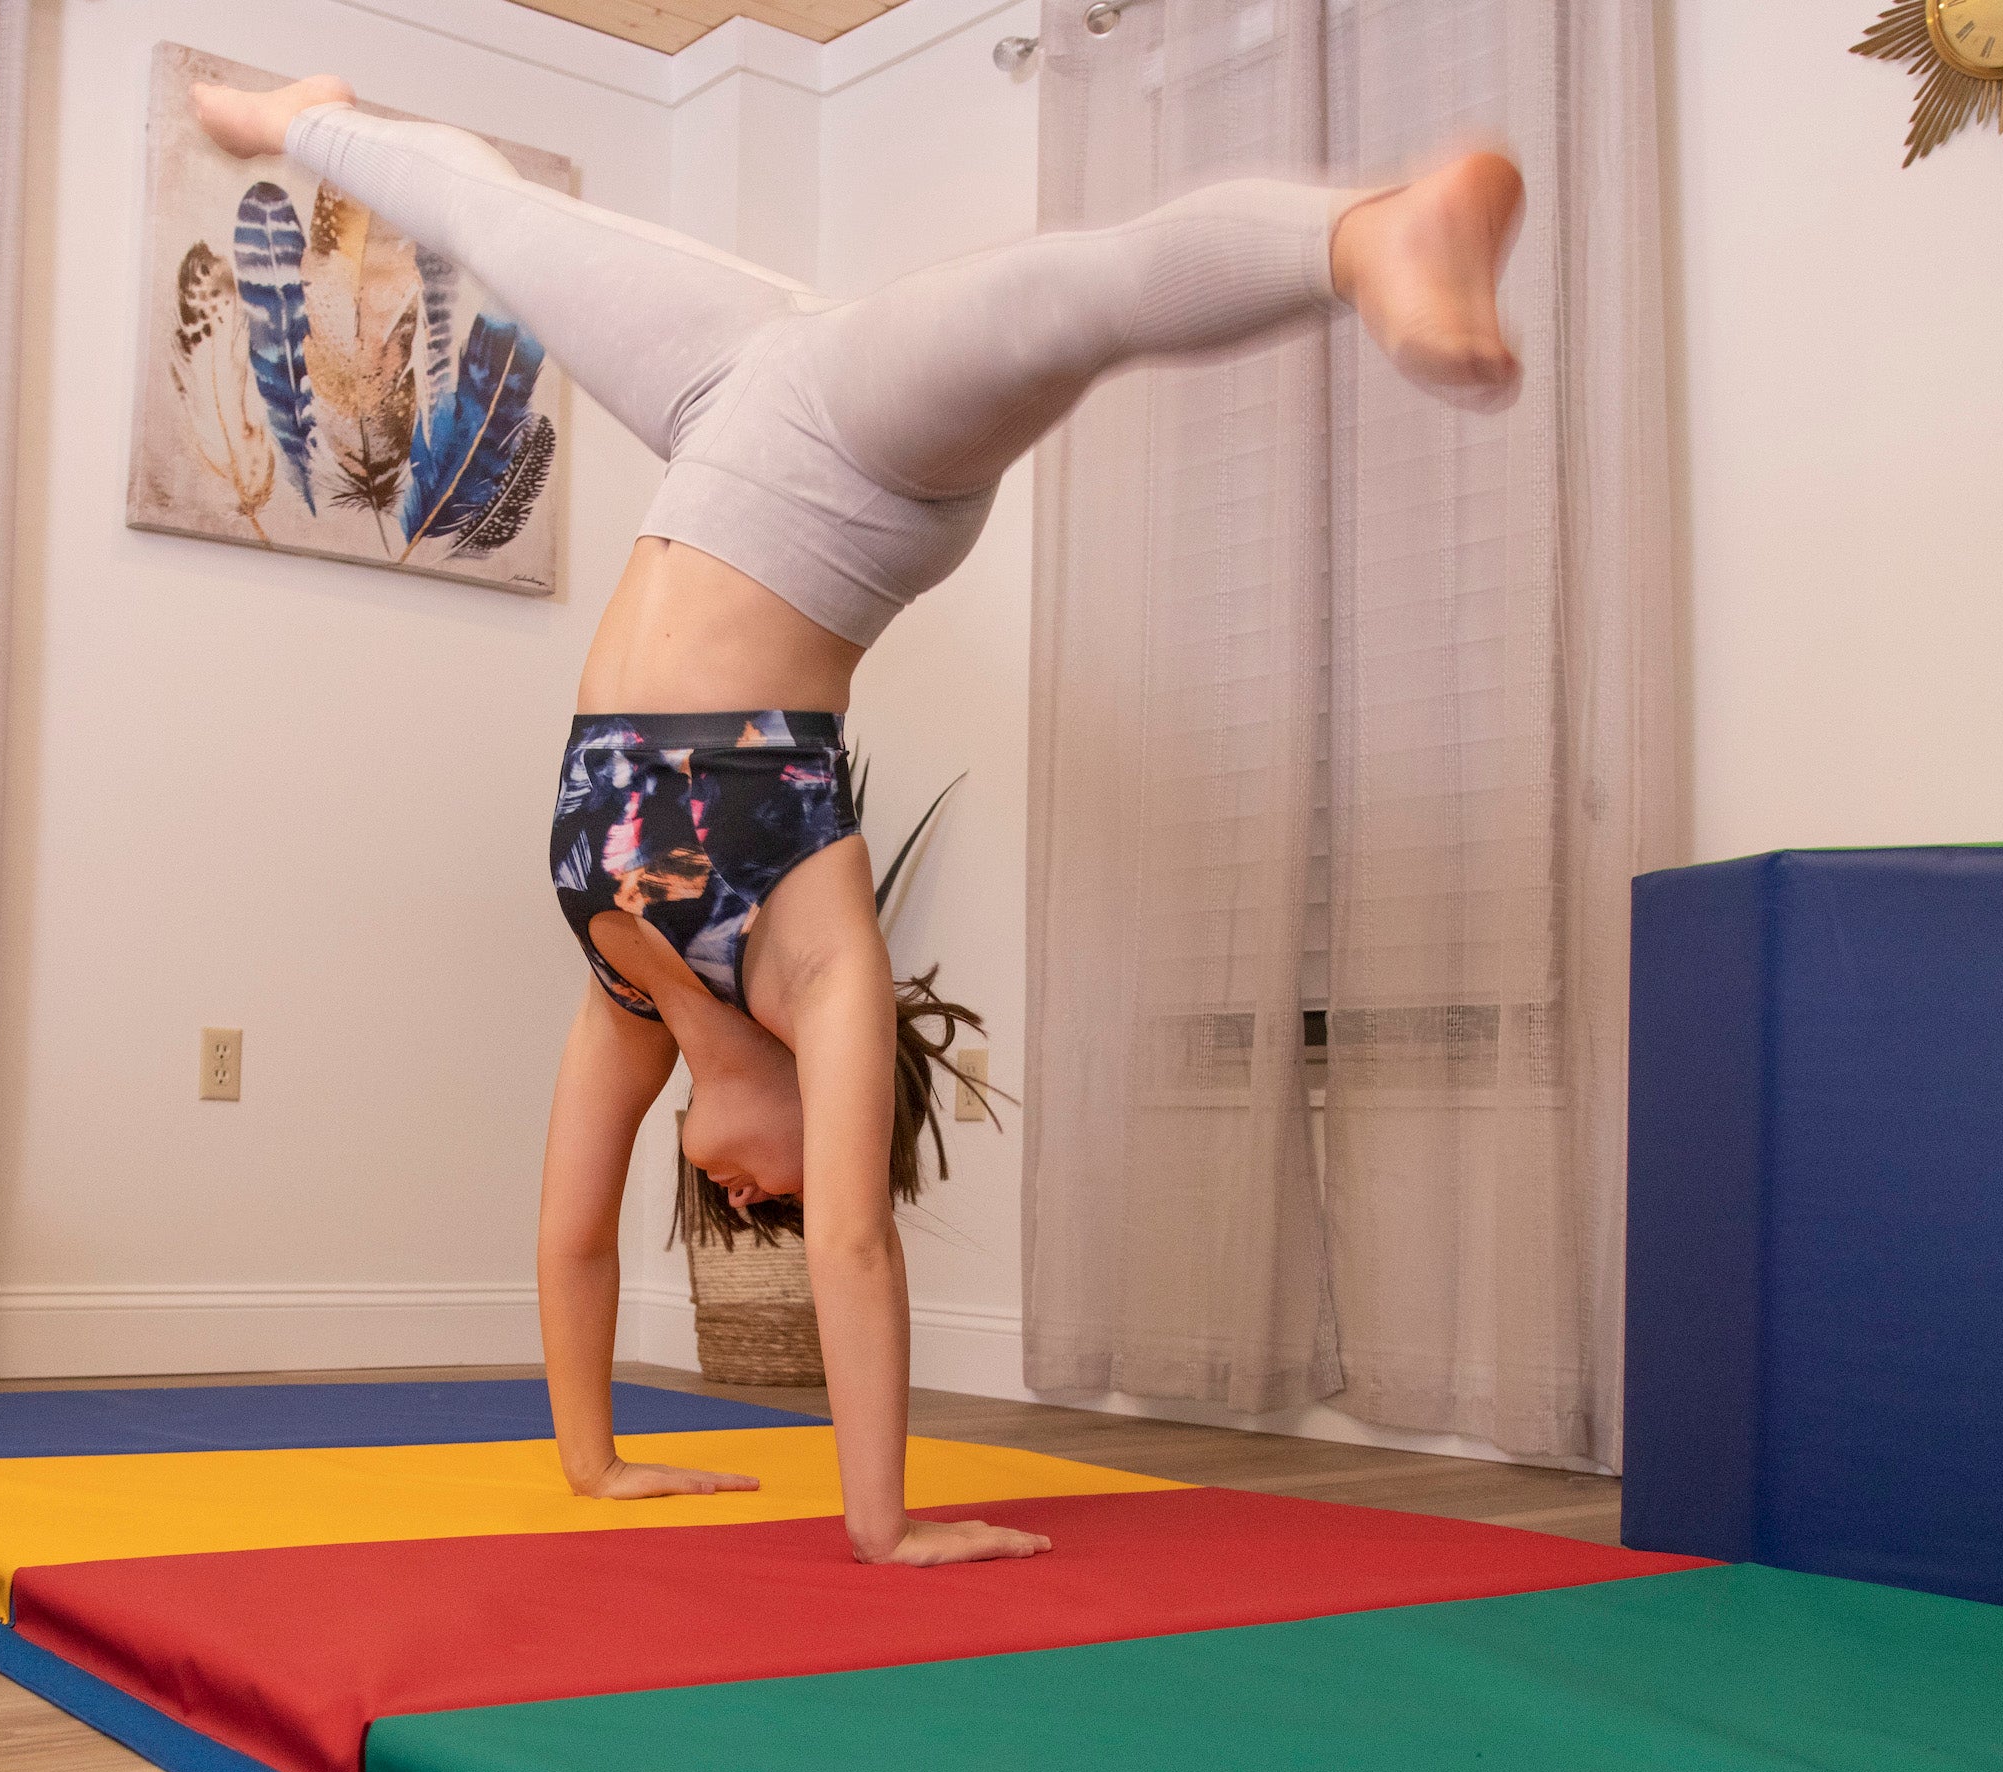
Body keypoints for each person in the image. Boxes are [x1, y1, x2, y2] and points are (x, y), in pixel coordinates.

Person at [191, 73, 1523, 1567]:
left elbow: (570, 1241)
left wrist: (593, 1463)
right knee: (1053, 304)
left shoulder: (633, 991)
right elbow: (855, 1244)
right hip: (853, 469)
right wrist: (882, 1525)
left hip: (723, 411)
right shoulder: (819, 966)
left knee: (500, 224)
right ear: (839, 1122)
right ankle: (1370, 236)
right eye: (781, 1189)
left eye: (738, 1199)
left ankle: (1376, 238)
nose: (746, 1195)